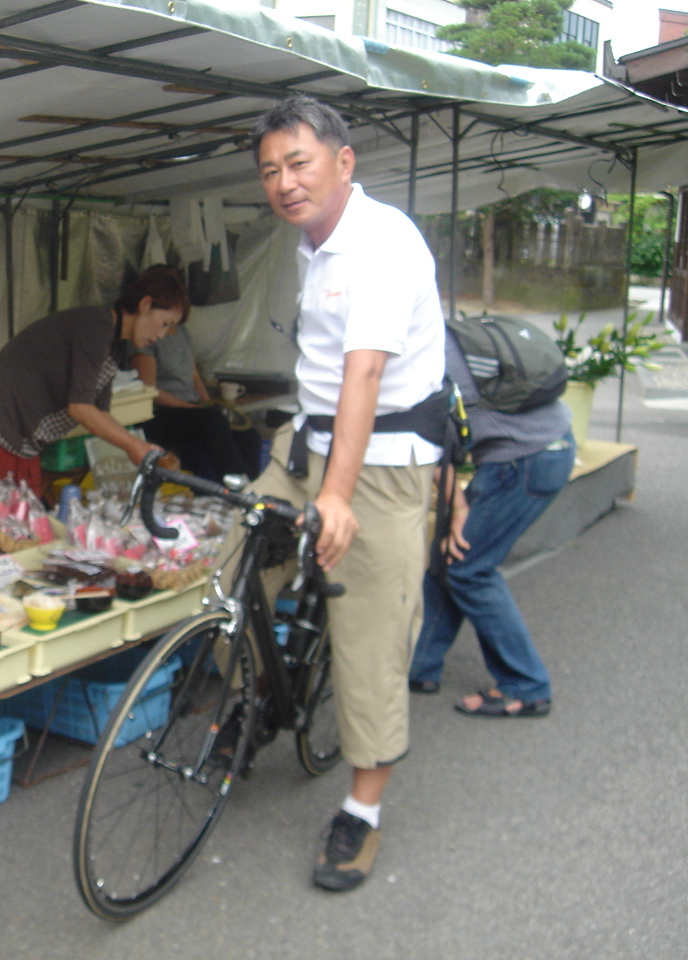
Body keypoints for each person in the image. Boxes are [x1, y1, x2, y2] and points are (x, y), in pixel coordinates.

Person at [248, 95, 446, 892]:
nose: (284, 182)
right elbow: (327, 380)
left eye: (298, 163)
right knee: (238, 556)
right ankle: (258, 689)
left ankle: (361, 815)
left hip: (386, 459)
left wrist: (335, 498)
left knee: (367, 631)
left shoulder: (382, 243)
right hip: (313, 439)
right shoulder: (310, 242)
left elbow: (364, 371)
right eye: (270, 170)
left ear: (342, 162)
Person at [408, 331, 574, 717]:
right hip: (543, 446)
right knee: (448, 558)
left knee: (469, 568)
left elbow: (431, 443)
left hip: (525, 460)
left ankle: (526, 686)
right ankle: (420, 667)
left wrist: (457, 504)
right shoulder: (441, 334)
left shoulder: (422, 359)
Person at [0, 265, 188, 489]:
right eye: (165, 323)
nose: (163, 335)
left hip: (21, 441)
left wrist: (138, 445)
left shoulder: (115, 346)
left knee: (17, 527)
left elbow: (101, 413)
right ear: (145, 304)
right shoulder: (96, 325)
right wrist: (133, 445)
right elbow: (80, 408)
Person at [131, 324, 261, 483]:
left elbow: (194, 375)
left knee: (249, 435)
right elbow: (149, 390)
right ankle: (234, 486)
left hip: (191, 408)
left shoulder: (181, 331)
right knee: (211, 420)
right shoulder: (147, 336)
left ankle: (252, 489)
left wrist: (207, 402)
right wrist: (192, 408)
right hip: (160, 412)